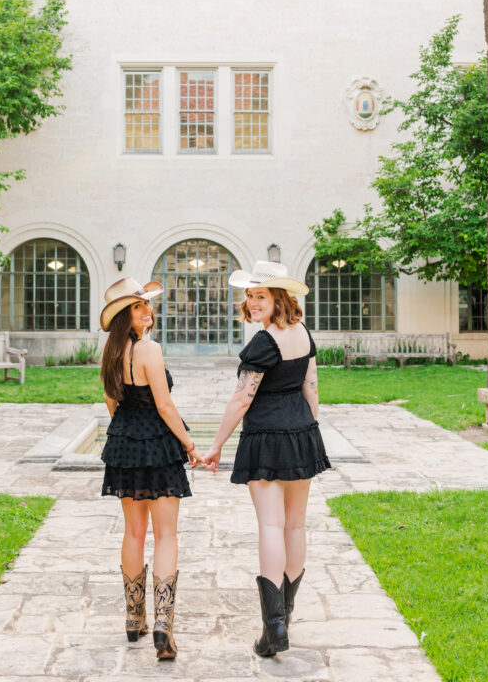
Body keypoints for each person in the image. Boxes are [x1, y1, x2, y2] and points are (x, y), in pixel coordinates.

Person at [203, 261, 331, 657]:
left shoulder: (264, 342)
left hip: (266, 437)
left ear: (279, 299)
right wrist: (311, 430)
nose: (253, 302)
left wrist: (216, 444)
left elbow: (243, 397)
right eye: (250, 295)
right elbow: (311, 387)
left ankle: (274, 627)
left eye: (261, 296)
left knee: (273, 526)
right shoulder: (303, 334)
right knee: (294, 526)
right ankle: (284, 619)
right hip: (301, 433)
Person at [99, 276, 203, 661]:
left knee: (133, 532)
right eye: (138, 307)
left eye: (147, 305)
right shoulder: (149, 349)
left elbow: (112, 403)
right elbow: (164, 405)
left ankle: (133, 618)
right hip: (158, 445)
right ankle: (163, 625)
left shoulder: (110, 354)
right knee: (166, 536)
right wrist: (190, 445)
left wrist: (127, 430)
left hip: (123, 444)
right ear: (126, 316)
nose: (147, 311)